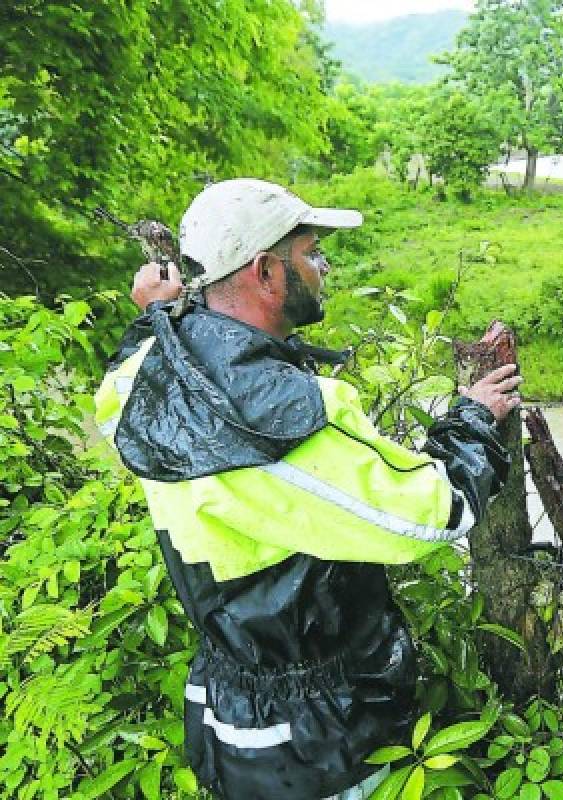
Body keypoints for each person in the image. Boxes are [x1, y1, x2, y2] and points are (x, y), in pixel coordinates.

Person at [94, 178, 520, 799]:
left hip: (228, 709)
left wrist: (158, 313)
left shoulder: (144, 373)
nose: (324, 269)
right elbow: (432, 514)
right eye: (313, 253)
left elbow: (131, 373)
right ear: (266, 272)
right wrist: (473, 419)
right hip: (318, 737)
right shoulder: (282, 417)